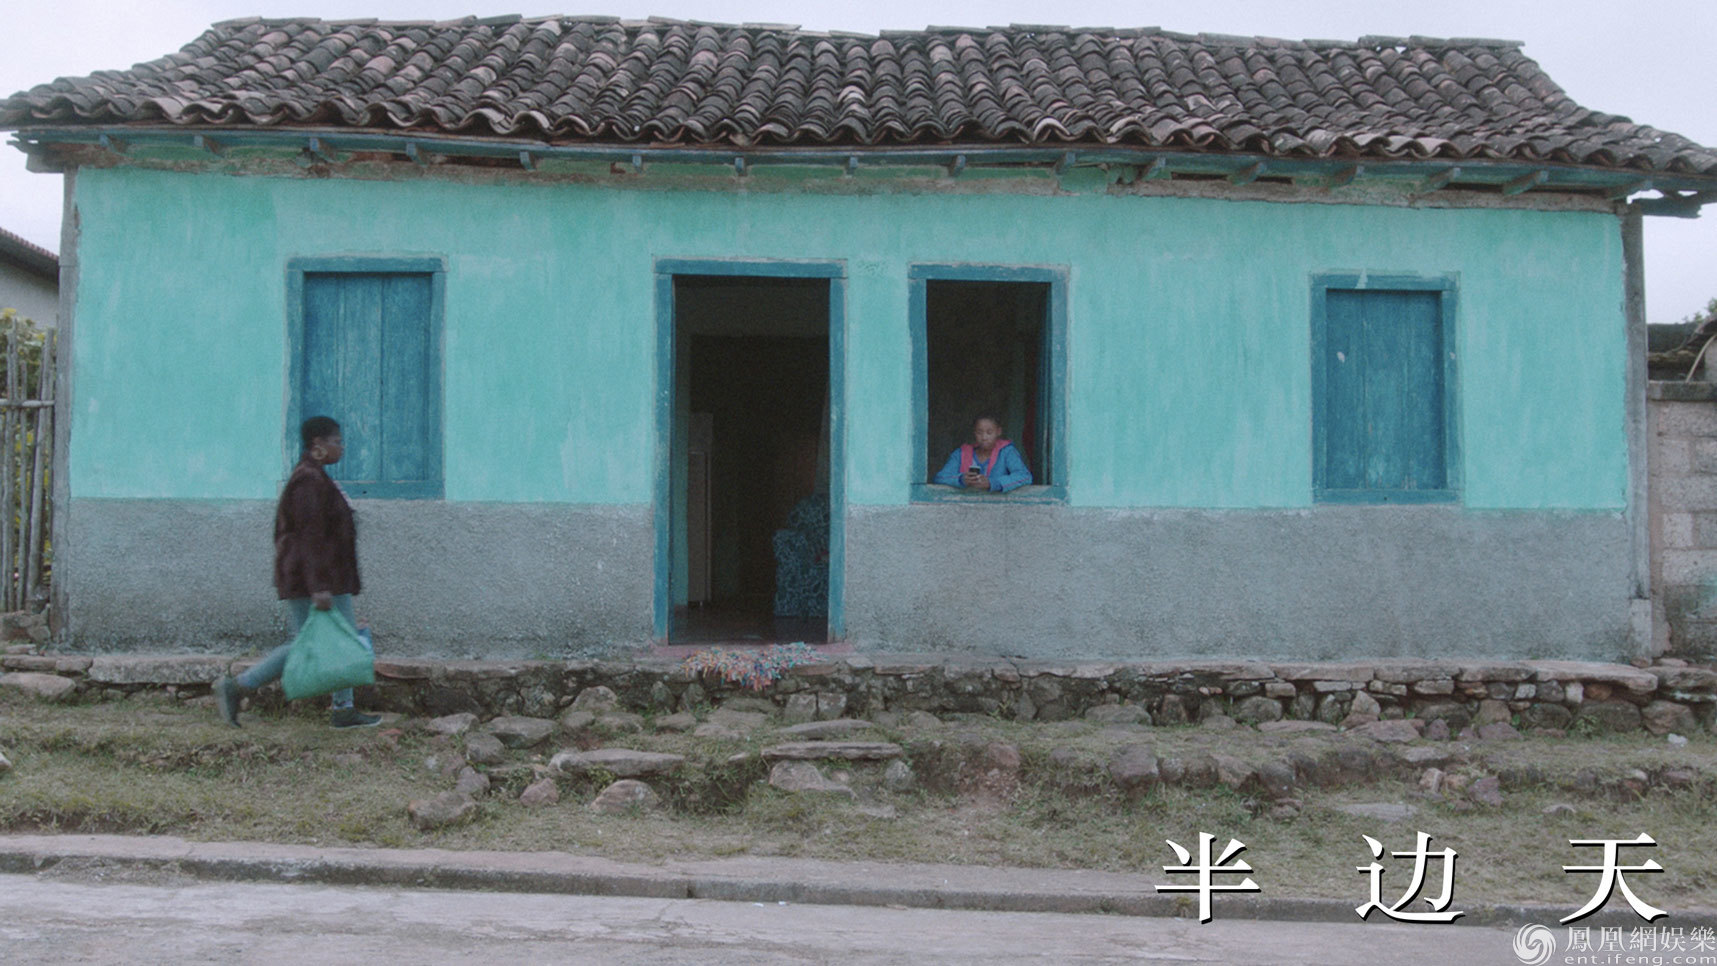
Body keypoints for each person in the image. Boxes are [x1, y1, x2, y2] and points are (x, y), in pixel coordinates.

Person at [213, 416, 379, 728]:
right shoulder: (308, 481)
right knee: (317, 644)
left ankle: (343, 708)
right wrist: (319, 586)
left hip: (327, 578)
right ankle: (239, 686)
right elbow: (308, 536)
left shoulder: (317, 477)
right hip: (315, 581)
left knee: (339, 642)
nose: (342, 447)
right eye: (337, 441)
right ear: (318, 444)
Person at [933, 415, 1033, 492]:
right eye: (979, 432)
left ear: (998, 432)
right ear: (974, 433)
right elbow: (940, 477)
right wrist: (961, 479)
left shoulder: (1007, 452)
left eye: (989, 432)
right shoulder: (961, 453)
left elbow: (1024, 476)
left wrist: (992, 483)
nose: (984, 437)